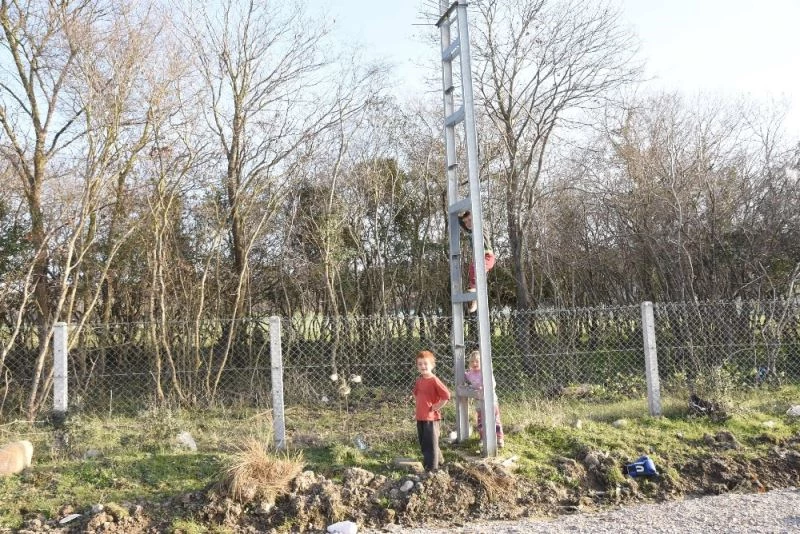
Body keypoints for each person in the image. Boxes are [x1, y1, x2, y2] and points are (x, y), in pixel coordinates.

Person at [412, 350, 451, 471]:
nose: (423, 366)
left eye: (425, 363)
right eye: (420, 364)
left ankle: (431, 467)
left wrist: (436, 406)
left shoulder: (434, 380)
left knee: (431, 443)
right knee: (424, 442)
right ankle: (438, 461)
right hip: (421, 417)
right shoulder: (419, 381)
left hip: (431, 418)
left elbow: (446, 395)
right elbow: (416, 395)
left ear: (432, 365)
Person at [464, 350, 504, 448]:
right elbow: (465, 377)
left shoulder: (486, 372)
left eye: (477, 361)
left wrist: (484, 387)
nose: (474, 363)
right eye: (472, 362)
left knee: (495, 420)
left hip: (491, 401)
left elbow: (493, 384)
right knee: (481, 421)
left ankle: (499, 438)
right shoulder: (470, 374)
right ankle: (483, 438)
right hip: (479, 402)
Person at [458, 210, 495, 312]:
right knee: (472, 269)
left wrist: (470, 209)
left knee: (475, 268)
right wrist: (459, 214)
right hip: (478, 259)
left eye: (470, 220)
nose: (468, 223)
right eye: (466, 222)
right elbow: (460, 221)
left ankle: (474, 295)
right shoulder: (470, 231)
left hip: (488, 257)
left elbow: (476, 216)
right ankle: (475, 296)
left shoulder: (481, 227)